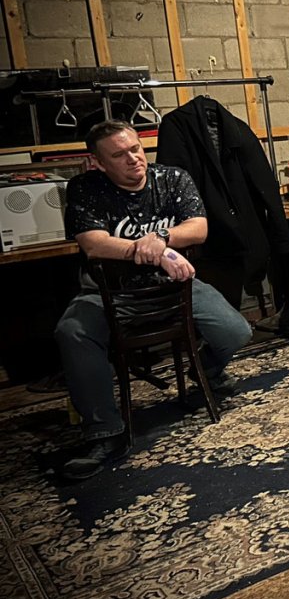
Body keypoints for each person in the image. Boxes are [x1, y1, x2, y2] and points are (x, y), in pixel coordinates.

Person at [55, 121, 253, 481]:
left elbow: (198, 228)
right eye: (119, 154)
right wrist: (156, 252)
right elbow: (94, 244)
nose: (133, 158)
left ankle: (205, 370)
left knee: (235, 331)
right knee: (72, 333)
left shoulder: (172, 178)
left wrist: (160, 237)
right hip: (109, 292)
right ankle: (105, 431)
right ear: (98, 162)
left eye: (135, 148)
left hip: (174, 286)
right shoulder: (85, 187)